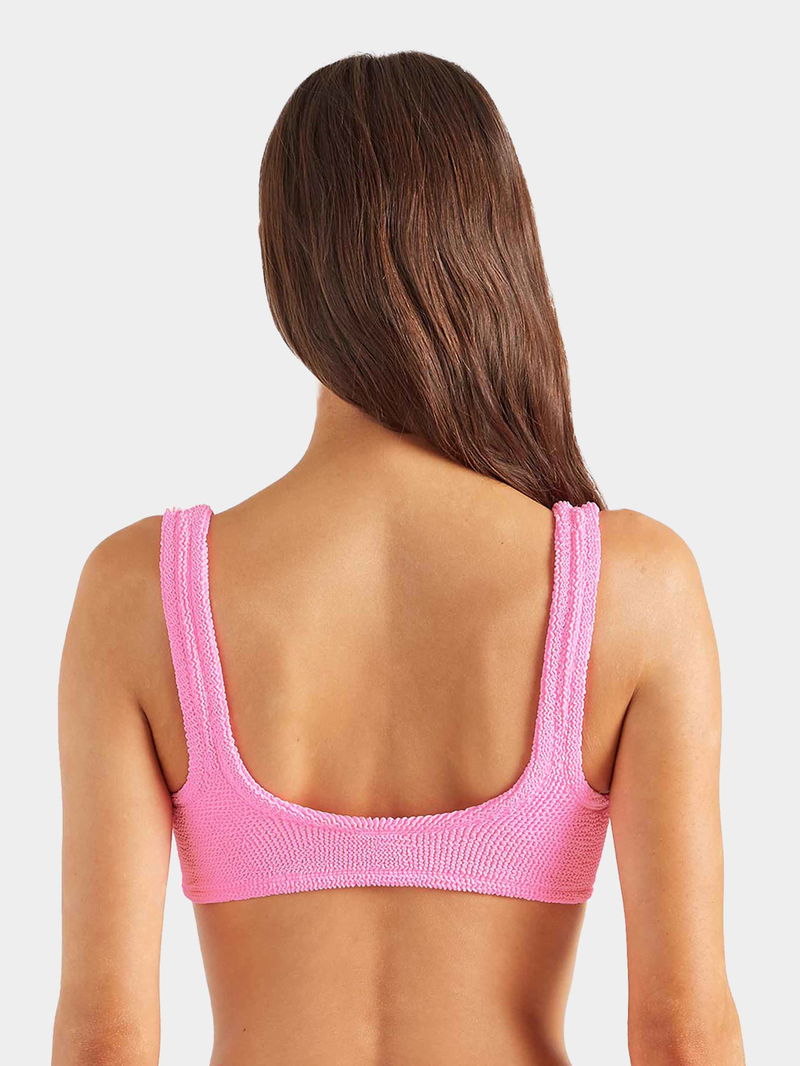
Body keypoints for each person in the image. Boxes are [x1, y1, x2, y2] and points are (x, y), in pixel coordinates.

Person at [52, 51, 745, 1066]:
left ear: (282, 263)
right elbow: (682, 1037)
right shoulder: (631, 589)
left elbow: (103, 1039)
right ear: (499, 244)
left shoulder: (142, 592)